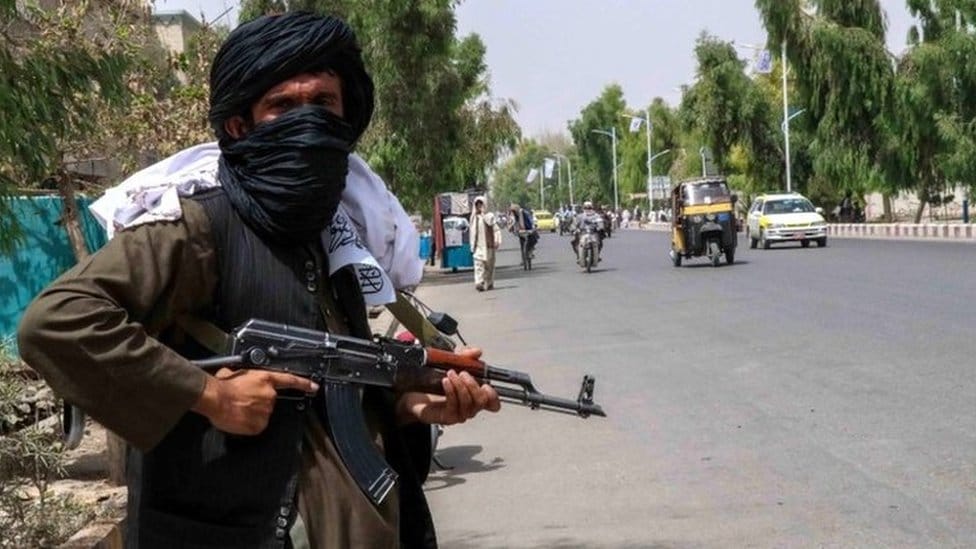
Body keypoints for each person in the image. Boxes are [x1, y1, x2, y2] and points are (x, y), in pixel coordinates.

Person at [17, 12, 499, 549]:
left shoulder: (333, 231)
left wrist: (410, 409)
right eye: (284, 107)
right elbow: (57, 321)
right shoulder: (197, 226)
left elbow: (330, 394)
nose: (308, 123)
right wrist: (209, 395)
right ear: (240, 126)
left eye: (323, 103)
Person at [469, 196, 500, 291]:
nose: (479, 207)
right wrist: (472, 245)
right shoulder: (473, 217)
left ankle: (489, 283)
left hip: (489, 245)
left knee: (489, 266)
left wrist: (497, 240)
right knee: (478, 264)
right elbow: (472, 232)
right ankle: (479, 282)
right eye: (477, 205)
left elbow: (495, 229)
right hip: (478, 246)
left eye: (481, 205)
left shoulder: (490, 216)